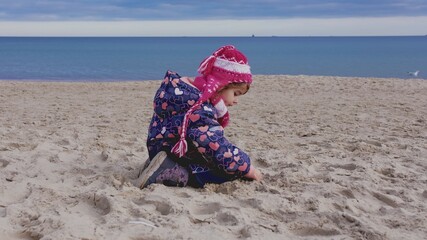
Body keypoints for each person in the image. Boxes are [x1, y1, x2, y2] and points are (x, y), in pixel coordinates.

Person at [135, 45, 263, 189]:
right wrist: (246, 168)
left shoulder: (183, 94)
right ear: (222, 85)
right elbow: (215, 145)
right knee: (223, 172)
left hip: (160, 146)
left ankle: (157, 161)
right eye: (235, 93)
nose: (236, 100)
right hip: (177, 153)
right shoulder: (200, 108)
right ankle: (167, 170)